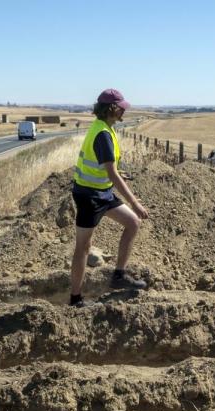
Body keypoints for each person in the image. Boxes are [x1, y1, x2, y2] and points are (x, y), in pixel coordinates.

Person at [69, 88, 150, 308]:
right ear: (112, 109)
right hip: (88, 195)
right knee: (83, 247)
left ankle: (118, 276)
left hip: (102, 192)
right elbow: (111, 173)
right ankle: (75, 299)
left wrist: (114, 175)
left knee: (133, 222)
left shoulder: (106, 128)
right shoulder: (102, 133)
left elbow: (107, 168)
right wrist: (135, 202)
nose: (124, 110)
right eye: (121, 107)